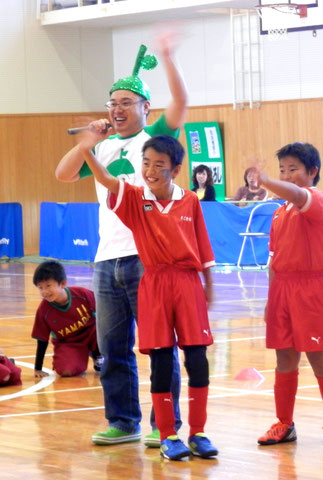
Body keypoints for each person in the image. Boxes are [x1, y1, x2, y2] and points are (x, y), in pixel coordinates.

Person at [56, 34, 186, 447]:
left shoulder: (155, 140)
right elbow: (62, 173)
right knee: (113, 348)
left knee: (159, 345)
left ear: (146, 108)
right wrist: (90, 140)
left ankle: (163, 424)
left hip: (147, 257)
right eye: (113, 102)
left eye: (127, 102)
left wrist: (166, 58)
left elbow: (180, 104)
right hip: (105, 259)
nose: (117, 108)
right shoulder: (103, 148)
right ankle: (124, 421)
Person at [77, 134, 218, 460]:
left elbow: (204, 247)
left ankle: (197, 432)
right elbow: (107, 179)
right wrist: (87, 149)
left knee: (197, 360)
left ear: (176, 169)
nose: (151, 171)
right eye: (146, 163)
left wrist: (208, 285)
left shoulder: (190, 201)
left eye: (159, 165)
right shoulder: (135, 199)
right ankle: (167, 435)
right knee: (160, 360)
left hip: (187, 285)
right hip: (154, 284)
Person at [256, 142, 323, 446]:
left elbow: (296, 194)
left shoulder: (316, 200)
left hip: (311, 289)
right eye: (282, 169)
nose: (286, 175)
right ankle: (284, 424)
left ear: (312, 171)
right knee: (284, 359)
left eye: (293, 169)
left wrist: (266, 180)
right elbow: (273, 261)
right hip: (282, 288)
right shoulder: (279, 214)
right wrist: (271, 300)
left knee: (320, 358)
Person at [31, 260, 103, 377]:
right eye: (40, 288)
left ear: (63, 284)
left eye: (48, 286)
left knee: (103, 325)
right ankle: (80, 355)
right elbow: (42, 340)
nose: (44, 292)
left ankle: (98, 353)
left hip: (92, 335)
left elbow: (104, 314)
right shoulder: (43, 310)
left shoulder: (83, 294)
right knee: (66, 371)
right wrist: (37, 368)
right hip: (69, 343)